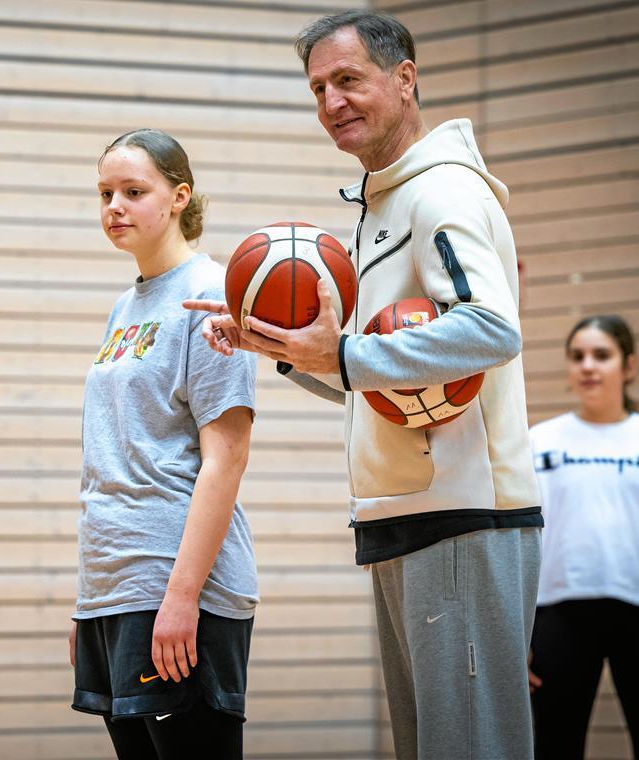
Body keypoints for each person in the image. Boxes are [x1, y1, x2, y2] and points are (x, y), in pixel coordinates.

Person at [184, 11, 543, 759]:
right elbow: (380, 376)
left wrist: (342, 355)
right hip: (404, 516)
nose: (331, 103)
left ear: (404, 78)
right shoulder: (380, 206)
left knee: (473, 749)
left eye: (348, 80)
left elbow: (493, 329)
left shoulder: (442, 192)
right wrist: (283, 348)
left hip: (465, 516)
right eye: (318, 88)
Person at [69, 129, 258, 759]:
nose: (114, 207)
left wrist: (180, 599)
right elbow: (113, 455)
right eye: (105, 193)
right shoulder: (125, 305)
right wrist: (90, 601)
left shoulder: (211, 298)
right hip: (116, 587)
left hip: (177, 589)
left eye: (133, 191)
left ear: (179, 197)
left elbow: (225, 459)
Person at [528, 315, 639, 759]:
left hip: (634, 608)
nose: (588, 366)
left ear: (628, 366)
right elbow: (520, 542)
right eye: (578, 357)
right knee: (555, 746)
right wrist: (519, 635)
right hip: (557, 615)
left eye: (602, 355)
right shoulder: (540, 441)